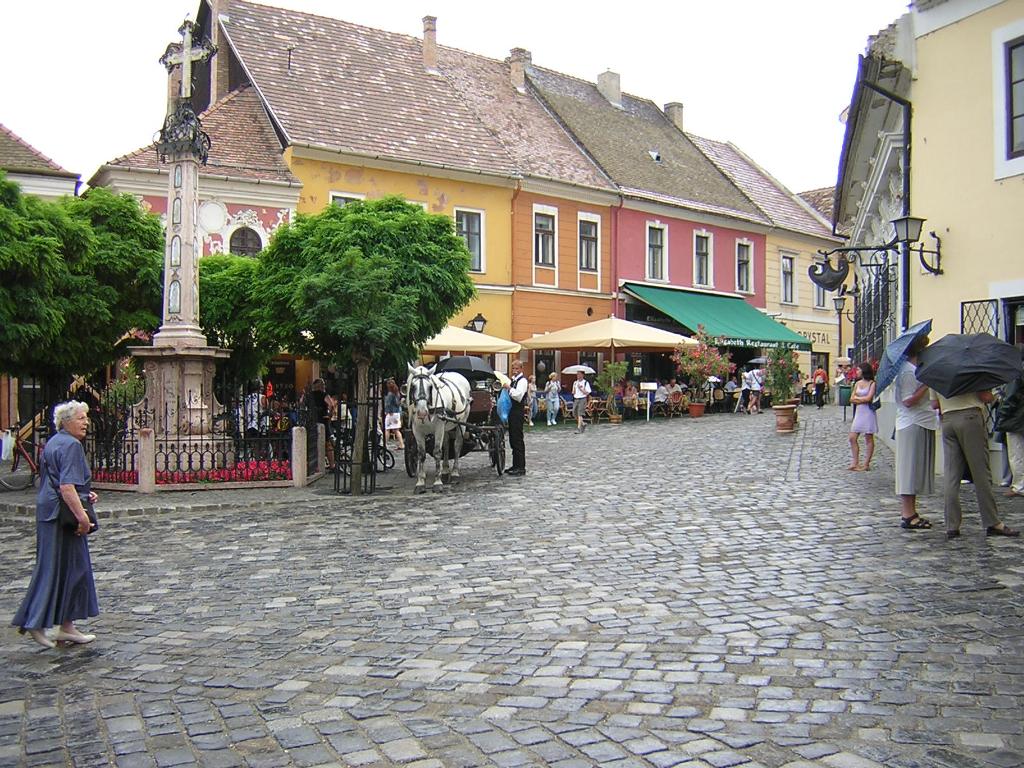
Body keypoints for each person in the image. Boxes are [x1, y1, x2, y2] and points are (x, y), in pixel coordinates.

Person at [12, 401, 99, 649]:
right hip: (61, 516)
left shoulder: (55, 441)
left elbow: (57, 480)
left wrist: (85, 495)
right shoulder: (71, 445)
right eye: (81, 418)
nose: (86, 422)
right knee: (54, 569)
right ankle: (34, 621)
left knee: (71, 569)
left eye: (86, 417)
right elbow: (66, 486)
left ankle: (66, 627)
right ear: (67, 421)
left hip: (51, 511)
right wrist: (83, 517)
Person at [938, 385, 1019, 539]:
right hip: (970, 417)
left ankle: (952, 525)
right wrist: (995, 397)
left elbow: (935, 404)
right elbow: (985, 396)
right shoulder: (971, 365)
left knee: (951, 474)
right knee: (981, 472)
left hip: (947, 419)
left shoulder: (938, 368)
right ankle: (992, 522)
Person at [893, 336, 937, 529]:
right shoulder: (908, 372)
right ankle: (908, 514)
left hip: (920, 422)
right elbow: (908, 401)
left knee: (914, 469)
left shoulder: (914, 370)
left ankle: (911, 512)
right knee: (909, 470)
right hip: (912, 423)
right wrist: (926, 385)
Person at [995, 370, 1024, 498]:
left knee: (1016, 452)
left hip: (1016, 417)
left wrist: (1003, 414)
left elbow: (1011, 396)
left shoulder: (1016, 372)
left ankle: (1019, 486)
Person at [848, 362, 878, 470]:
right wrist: (861, 400)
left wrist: (858, 399)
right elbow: (851, 398)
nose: (857, 372)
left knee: (868, 437)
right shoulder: (857, 383)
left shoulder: (872, 383)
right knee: (852, 437)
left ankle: (866, 463)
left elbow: (869, 398)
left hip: (868, 412)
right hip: (859, 412)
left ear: (864, 371)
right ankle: (855, 462)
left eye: (858, 370)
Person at [505, 360, 528, 475]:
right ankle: (515, 464)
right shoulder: (513, 380)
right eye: (513, 368)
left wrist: (509, 389)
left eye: (516, 369)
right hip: (512, 411)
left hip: (517, 411)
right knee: (513, 439)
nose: (514, 371)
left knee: (518, 439)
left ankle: (520, 467)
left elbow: (518, 396)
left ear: (521, 369)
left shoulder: (522, 381)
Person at [383, 379, 404, 450]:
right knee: (396, 430)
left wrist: (387, 411)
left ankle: (384, 444)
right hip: (397, 413)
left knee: (387, 429)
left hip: (391, 413)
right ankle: (401, 444)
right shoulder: (397, 393)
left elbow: (388, 404)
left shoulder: (390, 394)